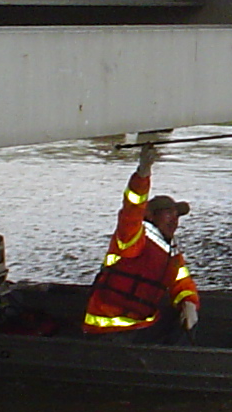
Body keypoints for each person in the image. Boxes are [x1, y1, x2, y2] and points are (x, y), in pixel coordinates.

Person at [82, 142, 201, 342]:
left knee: (180, 328)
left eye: (176, 215)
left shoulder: (171, 252)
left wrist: (189, 303)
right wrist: (142, 175)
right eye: (168, 213)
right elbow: (132, 209)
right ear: (151, 216)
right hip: (108, 328)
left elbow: (182, 282)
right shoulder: (134, 238)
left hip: (143, 323)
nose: (174, 220)